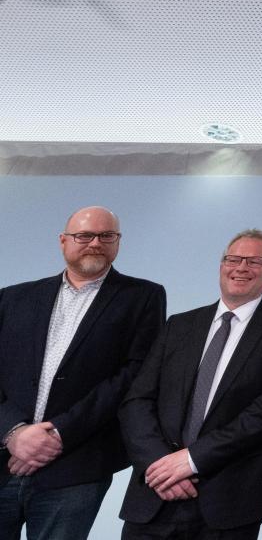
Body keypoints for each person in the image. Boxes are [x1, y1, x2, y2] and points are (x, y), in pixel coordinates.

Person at [118, 229, 262, 540]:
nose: (241, 267)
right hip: (156, 492)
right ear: (221, 265)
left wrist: (191, 460)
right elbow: (137, 399)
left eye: (254, 261)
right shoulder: (179, 325)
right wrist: (160, 465)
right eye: (233, 259)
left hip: (230, 499)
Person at [0, 206, 166, 540]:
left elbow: (133, 375)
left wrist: (56, 435)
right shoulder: (12, 298)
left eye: (107, 236)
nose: (95, 243)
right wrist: (14, 432)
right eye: (84, 235)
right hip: (2, 459)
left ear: (118, 242)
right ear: (63, 241)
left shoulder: (143, 297)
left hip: (76, 465)